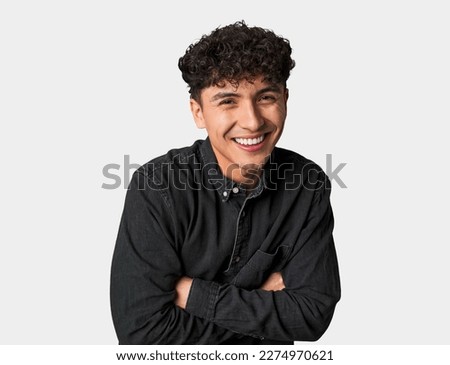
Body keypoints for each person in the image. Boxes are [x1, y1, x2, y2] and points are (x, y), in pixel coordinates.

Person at [110, 20, 341, 345]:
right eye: (228, 101)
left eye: (266, 97)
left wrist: (192, 295)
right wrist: (261, 300)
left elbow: (312, 315)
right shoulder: (156, 186)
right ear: (198, 112)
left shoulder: (307, 184)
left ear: (285, 99)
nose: (252, 121)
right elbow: (142, 335)